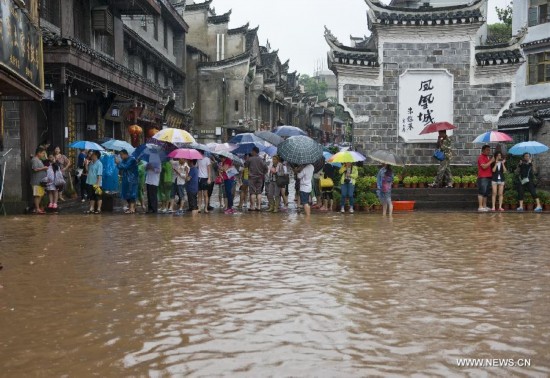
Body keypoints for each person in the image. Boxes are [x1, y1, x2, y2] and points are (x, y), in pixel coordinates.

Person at [116, 149, 139, 214]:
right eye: (120, 155)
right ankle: (132, 207)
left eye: (121, 155)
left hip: (132, 179)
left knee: (132, 193)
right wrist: (118, 164)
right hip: (126, 179)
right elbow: (121, 168)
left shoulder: (132, 160)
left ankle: (132, 208)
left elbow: (126, 167)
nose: (120, 156)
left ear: (125, 154)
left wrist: (118, 163)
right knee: (125, 194)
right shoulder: (123, 160)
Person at [246, 146, 268, 211]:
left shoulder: (250, 159)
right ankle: (258, 207)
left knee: (252, 192)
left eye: (252, 151)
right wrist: (263, 173)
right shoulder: (261, 159)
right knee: (259, 192)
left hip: (252, 177)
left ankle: (252, 206)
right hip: (260, 177)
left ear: (254, 151)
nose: (251, 152)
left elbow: (245, 166)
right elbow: (266, 168)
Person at [30, 147, 48, 214]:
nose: (43, 155)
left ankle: (36, 208)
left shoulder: (39, 159)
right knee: (37, 195)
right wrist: (44, 168)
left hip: (40, 181)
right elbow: (35, 169)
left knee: (40, 194)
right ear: (38, 153)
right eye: (43, 153)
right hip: (36, 181)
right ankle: (37, 209)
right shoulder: (35, 160)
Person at [477, 144, 494, 212]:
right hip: (483, 177)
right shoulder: (481, 157)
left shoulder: (488, 157)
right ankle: (480, 206)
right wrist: (491, 161)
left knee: (486, 192)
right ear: (483, 150)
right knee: (482, 191)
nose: (488, 151)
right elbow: (484, 167)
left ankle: (484, 206)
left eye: (489, 150)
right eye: (487, 150)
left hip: (489, 176)